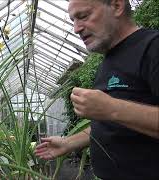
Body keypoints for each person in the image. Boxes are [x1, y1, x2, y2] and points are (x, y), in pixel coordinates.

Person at [34, 0, 159, 179]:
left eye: (83, 16)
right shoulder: (108, 60)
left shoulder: (152, 48)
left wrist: (111, 108)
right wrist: (69, 143)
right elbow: (114, 124)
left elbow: (114, 112)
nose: (76, 29)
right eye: (73, 21)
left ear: (116, 6)